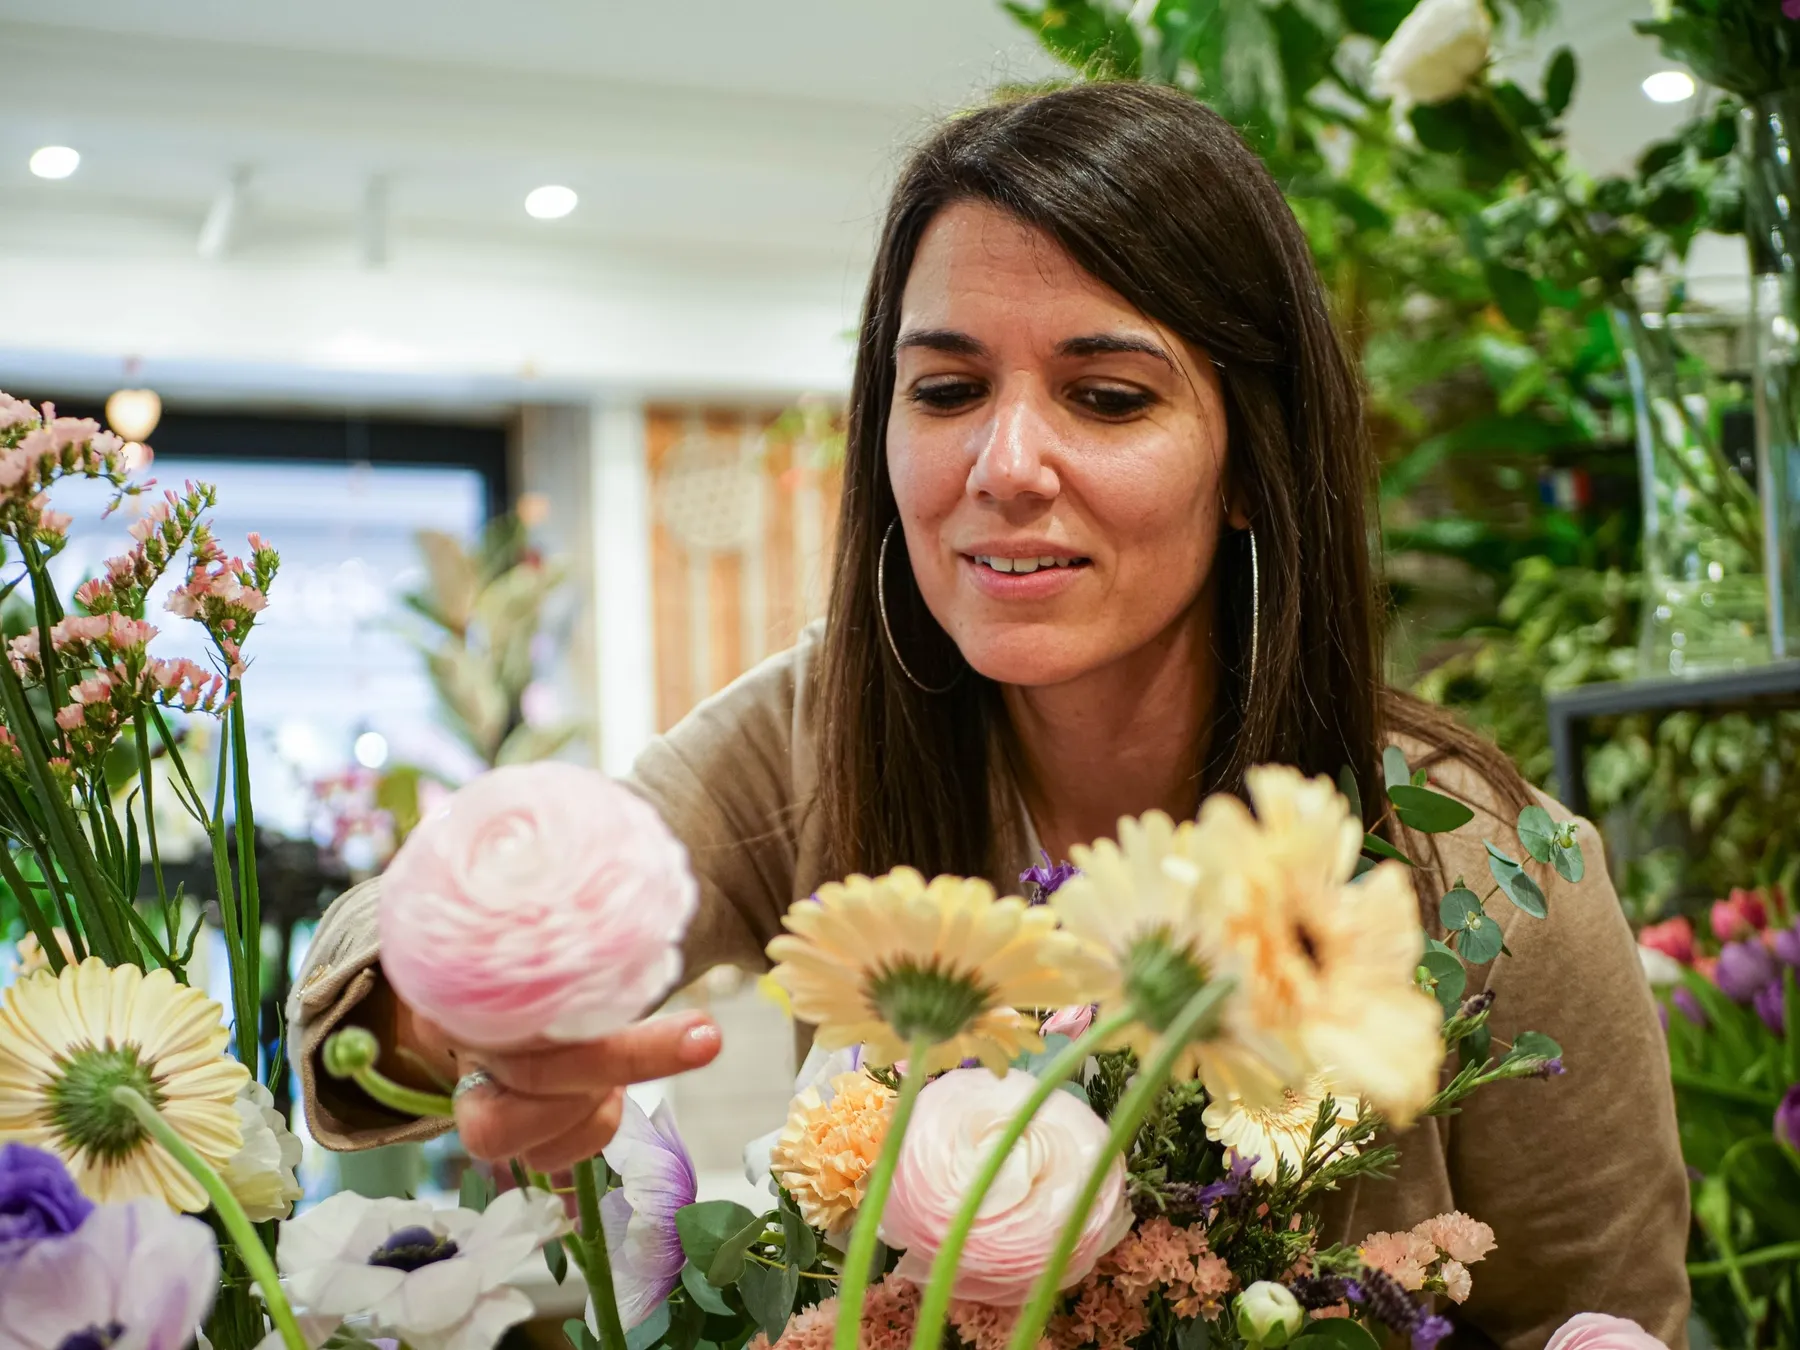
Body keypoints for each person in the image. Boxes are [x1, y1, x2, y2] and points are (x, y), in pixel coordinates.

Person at [291, 82, 1688, 1348]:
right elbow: (410, 933)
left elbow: (1612, 1320)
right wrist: (452, 1017)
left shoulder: (1484, 874)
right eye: (948, 389)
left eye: (1108, 395)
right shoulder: (821, 730)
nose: (1005, 464)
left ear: (1252, 460)